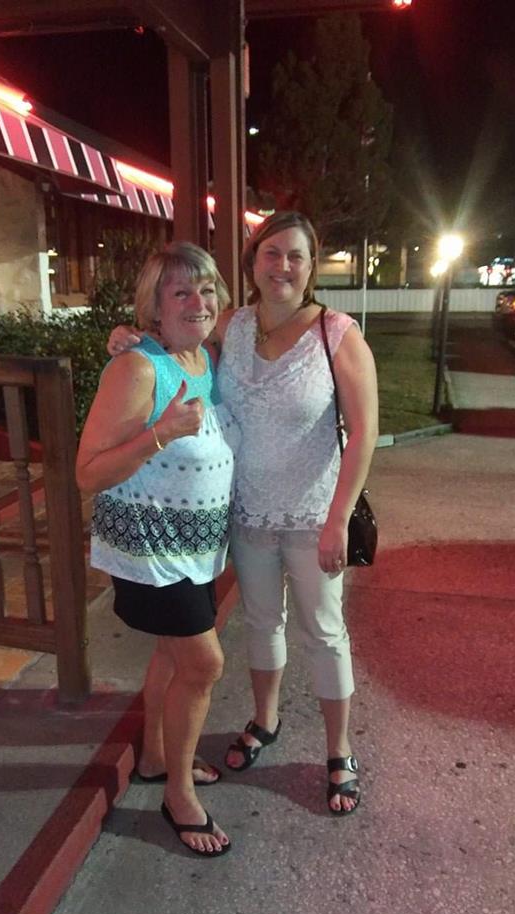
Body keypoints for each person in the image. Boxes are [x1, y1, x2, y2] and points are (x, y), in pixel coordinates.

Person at [109, 211, 378, 816]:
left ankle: (339, 750)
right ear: (253, 260)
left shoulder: (336, 334)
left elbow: (363, 433)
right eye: (272, 253)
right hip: (247, 513)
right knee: (261, 623)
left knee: (325, 632)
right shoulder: (231, 325)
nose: (283, 265)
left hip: (315, 515)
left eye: (297, 256)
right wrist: (126, 336)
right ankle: (264, 721)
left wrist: (338, 519)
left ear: (311, 268)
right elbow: (172, 344)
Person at [76, 242, 240, 856]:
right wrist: (158, 433)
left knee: (174, 660)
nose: (198, 302)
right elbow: (86, 474)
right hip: (150, 552)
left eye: (206, 290)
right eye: (181, 292)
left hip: (194, 549)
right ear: (155, 306)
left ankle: (152, 757)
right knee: (204, 664)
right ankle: (178, 794)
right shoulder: (137, 369)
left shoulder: (204, 356)